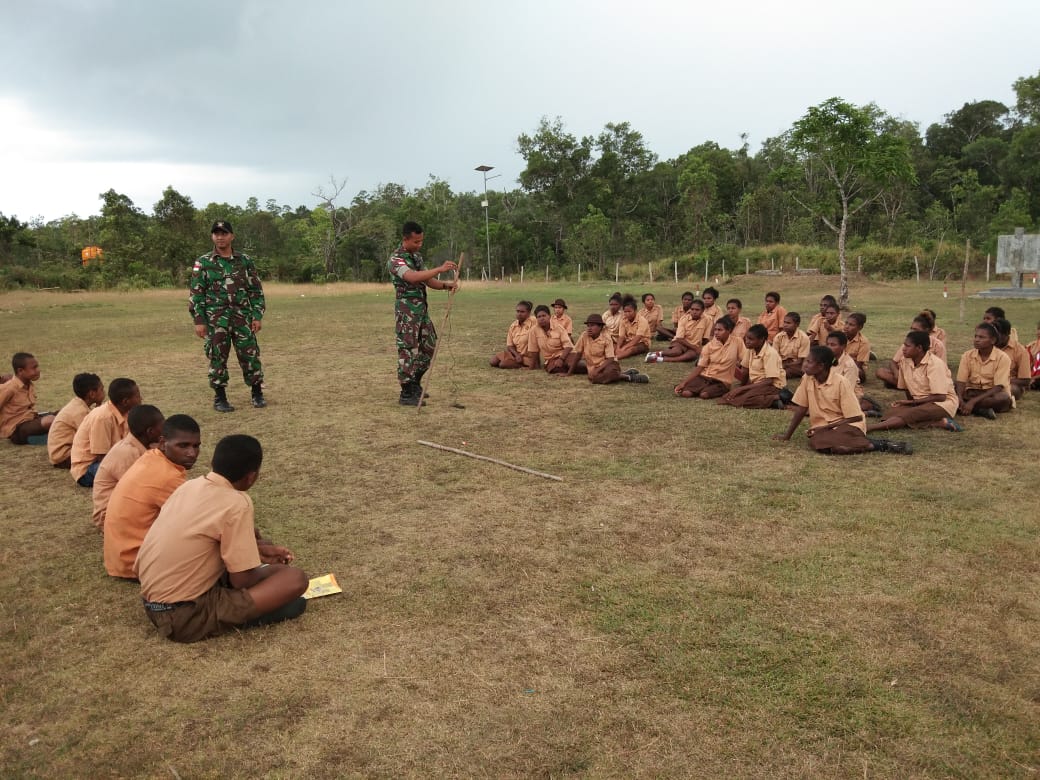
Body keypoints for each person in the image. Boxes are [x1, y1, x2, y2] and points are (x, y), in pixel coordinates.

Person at [135, 434, 308, 643]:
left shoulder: (190, 486)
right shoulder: (236, 503)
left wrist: (258, 552)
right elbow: (241, 581)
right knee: (295, 580)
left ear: (213, 462)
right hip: (184, 617)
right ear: (251, 476)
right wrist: (263, 573)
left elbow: (204, 540)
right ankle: (243, 616)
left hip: (153, 605)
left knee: (274, 566)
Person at [104, 415, 201, 580]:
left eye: (196, 446)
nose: (192, 453)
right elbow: (199, 522)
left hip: (120, 559)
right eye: (183, 446)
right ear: (162, 443)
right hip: (136, 563)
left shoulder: (151, 457)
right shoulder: (167, 476)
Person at [773, 346, 911, 455]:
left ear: (821, 366)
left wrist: (826, 427)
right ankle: (855, 445)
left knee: (821, 442)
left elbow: (855, 417)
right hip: (824, 427)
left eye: (809, 362)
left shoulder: (840, 382)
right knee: (822, 443)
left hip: (848, 425)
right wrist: (787, 435)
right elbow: (802, 408)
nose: (804, 365)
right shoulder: (807, 379)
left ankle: (877, 444)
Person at [189, 220, 267, 413]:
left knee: (250, 355)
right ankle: (220, 398)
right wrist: (199, 321)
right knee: (217, 357)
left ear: (232, 236)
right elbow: (197, 294)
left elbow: (255, 290)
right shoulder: (204, 262)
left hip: (242, 318)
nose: (220, 237)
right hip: (216, 320)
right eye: (216, 233)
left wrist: (257, 315)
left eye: (224, 233)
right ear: (212, 236)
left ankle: (257, 394)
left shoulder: (244, 261)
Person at [387, 221, 458, 406]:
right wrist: (440, 269)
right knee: (408, 349)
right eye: (416, 242)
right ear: (405, 239)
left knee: (429, 346)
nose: (419, 245)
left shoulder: (416, 258)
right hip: (406, 312)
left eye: (421, 241)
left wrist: (445, 285)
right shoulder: (396, 260)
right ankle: (406, 392)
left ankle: (416, 383)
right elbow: (411, 277)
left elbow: (428, 280)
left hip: (422, 310)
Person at [867, 331, 960, 432]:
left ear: (919, 348)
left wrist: (912, 403)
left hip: (941, 404)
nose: (903, 349)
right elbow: (907, 388)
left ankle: (870, 428)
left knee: (909, 414)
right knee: (891, 414)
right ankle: (937, 423)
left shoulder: (935, 364)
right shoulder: (905, 361)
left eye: (907, 346)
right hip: (920, 403)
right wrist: (910, 404)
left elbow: (941, 397)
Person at [91, 404, 164, 531]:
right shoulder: (128, 453)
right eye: (162, 427)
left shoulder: (140, 445)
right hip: (110, 517)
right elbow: (142, 492)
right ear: (150, 432)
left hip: (124, 508)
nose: (165, 431)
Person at [70, 378, 141, 488]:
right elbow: (102, 458)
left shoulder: (124, 412)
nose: (141, 399)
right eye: (137, 396)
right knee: (135, 472)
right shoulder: (103, 418)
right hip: (88, 469)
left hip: (110, 460)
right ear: (125, 401)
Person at [674, 316, 745, 399]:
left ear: (728, 330)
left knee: (704, 395)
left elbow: (745, 360)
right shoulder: (709, 346)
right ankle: (695, 386)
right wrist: (684, 383)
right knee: (686, 393)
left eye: (720, 330)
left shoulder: (737, 342)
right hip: (705, 377)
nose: (716, 333)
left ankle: (703, 389)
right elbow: (700, 367)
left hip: (722, 381)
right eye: (715, 329)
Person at [564, 314, 649, 384]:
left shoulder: (606, 338)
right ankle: (622, 375)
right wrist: (569, 372)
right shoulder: (584, 335)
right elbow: (578, 354)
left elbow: (610, 358)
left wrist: (598, 370)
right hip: (592, 366)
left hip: (608, 364)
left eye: (592, 325)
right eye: (588, 326)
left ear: (600, 327)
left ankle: (628, 377)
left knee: (599, 376)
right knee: (590, 376)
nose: (589, 328)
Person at [717, 324, 786, 409]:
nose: (747, 341)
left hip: (772, 386)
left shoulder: (770, 354)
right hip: (756, 384)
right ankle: (771, 401)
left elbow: (769, 381)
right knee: (727, 396)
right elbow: (745, 371)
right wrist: (741, 387)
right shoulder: (750, 350)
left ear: (761, 340)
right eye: (746, 338)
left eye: (751, 339)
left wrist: (742, 389)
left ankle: (774, 398)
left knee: (741, 400)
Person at [955, 322, 1013, 420]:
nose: (977, 340)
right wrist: (960, 398)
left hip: (991, 394)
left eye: (981, 337)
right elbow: (961, 381)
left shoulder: (1003, 358)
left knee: (1003, 398)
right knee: (949, 388)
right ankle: (979, 410)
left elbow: (998, 387)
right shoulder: (967, 355)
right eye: (976, 336)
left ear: (993, 340)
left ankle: (963, 407)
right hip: (971, 392)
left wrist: (972, 402)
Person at [48, 373, 105, 469]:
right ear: (92, 394)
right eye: (102, 389)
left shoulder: (78, 404)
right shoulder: (80, 412)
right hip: (64, 456)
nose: (104, 392)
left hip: (64, 453)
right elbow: (94, 436)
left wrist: (99, 404)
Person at [0, 353, 55, 445]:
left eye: (37, 367)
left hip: (31, 420)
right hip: (17, 430)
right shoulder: (9, 388)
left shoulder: (28, 384)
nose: (38, 370)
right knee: (50, 420)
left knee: (65, 412)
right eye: (34, 368)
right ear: (20, 371)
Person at [645, 299, 712, 363]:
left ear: (703, 310)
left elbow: (705, 338)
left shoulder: (708, 319)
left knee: (691, 356)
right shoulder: (684, 319)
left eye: (697, 310)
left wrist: (703, 350)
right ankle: (656, 353)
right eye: (692, 309)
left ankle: (661, 359)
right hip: (681, 343)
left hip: (695, 345)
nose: (694, 312)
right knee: (676, 352)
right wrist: (694, 348)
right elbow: (679, 338)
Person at [524, 305, 574, 373]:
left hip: (565, 355)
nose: (542, 318)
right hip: (551, 359)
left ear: (549, 316)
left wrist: (561, 359)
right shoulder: (533, 331)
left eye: (544, 316)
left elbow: (568, 346)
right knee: (554, 368)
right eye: (539, 317)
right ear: (536, 319)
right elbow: (534, 351)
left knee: (572, 363)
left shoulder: (559, 328)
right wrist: (532, 367)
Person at [993, 318, 1031, 401]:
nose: (994, 338)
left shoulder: (1020, 351)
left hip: (1009, 384)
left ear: (1007, 333)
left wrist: (1002, 382)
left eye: (998, 335)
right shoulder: (988, 345)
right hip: (985, 381)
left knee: (1009, 390)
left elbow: (1025, 381)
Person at [490, 301, 535, 368]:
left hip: (527, 356)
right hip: (515, 354)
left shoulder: (534, 321)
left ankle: (522, 365)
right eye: (518, 311)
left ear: (529, 313)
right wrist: (516, 355)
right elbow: (510, 345)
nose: (519, 314)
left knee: (503, 364)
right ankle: (514, 360)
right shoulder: (513, 325)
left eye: (522, 312)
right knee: (493, 361)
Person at [774, 312, 810, 379]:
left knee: (790, 371)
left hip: (796, 364)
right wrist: (780, 364)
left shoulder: (804, 338)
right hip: (781, 362)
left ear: (797, 324)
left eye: (788, 323)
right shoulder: (778, 337)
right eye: (784, 322)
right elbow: (775, 357)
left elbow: (800, 361)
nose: (785, 325)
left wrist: (785, 365)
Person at [842, 313, 871, 383]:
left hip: (854, 366)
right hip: (838, 363)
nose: (846, 327)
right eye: (846, 323)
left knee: (857, 371)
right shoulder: (839, 337)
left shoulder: (864, 342)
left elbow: (858, 365)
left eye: (851, 325)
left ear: (860, 328)